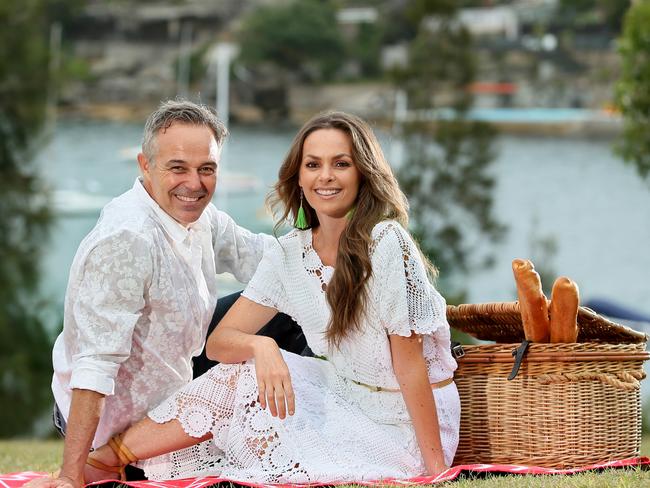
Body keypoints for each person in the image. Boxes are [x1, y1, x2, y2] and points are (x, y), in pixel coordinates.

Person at [79, 111, 461, 484]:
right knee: (238, 376)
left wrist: (434, 470)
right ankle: (109, 458)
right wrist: (263, 347)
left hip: (404, 421)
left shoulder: (387, 242)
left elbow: (411, 365)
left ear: (363, 173)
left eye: (340, 164)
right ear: (298, 177)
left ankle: (115, 461)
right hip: (345, 396)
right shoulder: (289, 254)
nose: (325, 176)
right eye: (313, 165)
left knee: (261, 456)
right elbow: (220, 344)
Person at [32, 100, 306, 488]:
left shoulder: (198, 215)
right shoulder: (127, 239)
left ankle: (331, 412)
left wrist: (332, 241)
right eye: (178, 168)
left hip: (175, 370)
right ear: (145, 165)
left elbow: (260, 258)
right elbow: (93, 365)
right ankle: (115, 457)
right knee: (265, 453)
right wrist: (71, 476)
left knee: (290, 306)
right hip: (117, 418)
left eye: (206, 169)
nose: (194, 184)